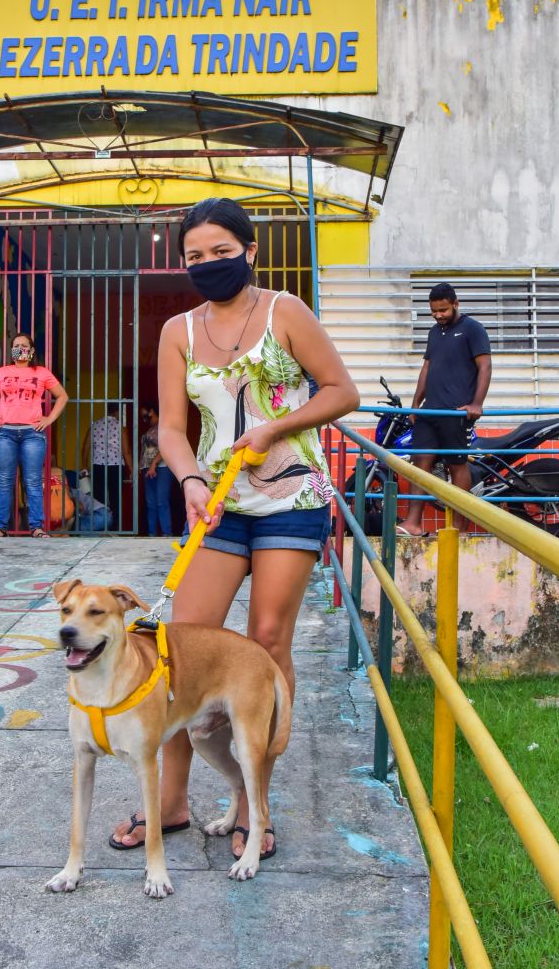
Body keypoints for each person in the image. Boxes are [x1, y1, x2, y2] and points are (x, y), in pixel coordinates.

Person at [109, 197, 359, 859]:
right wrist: (190, 479)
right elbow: (169, 427)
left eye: (222, 252)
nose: (208, 264)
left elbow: (341, 390)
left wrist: (275, 426)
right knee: (178, 653)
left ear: (250, 251)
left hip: (289, 499)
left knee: (266, 643)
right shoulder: (178, 331)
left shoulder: (286, 312)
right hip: (217, 505)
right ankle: (169, 801)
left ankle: (253, 802)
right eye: (195, 256)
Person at [396, 282, 491, 536]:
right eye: (434, 311)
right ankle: (413, 523)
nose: (439, 315)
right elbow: (426, 369)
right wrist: (416, 405)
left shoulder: (473, 329)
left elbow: (485, 367)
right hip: (430, 412)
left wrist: (477, 403)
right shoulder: (434, 332)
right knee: (420, 463)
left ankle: (458, 527)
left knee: (456, 465)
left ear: (455, 304)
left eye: (444, 310)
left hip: (456, 412)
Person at [0, 333, 68, 537]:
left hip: (32, 434)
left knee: (33, 481)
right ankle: (0, 527)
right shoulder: (2, 372)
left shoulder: (42, 373)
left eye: (24, 345)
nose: (20, 348)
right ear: (11, 350)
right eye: (16, 345)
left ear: (31, 351)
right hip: (5, 433)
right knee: (5, 480)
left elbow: (62, 396)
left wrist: (48, 419)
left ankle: (36, 527)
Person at [81, 402, 133, 531]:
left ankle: (100, 528)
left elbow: (86, 448)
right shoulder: (120, 427)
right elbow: (126, 452)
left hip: (98, 466)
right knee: (116, 499)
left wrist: (84, 466)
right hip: (115, 467)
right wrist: (132, 470)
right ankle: (116, 529)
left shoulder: (95, 425)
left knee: (99, 499)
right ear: (117, 412)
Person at [139, 402, 173, 537]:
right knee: (151, 503)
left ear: (152, 411)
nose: (143, 418)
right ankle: (151, 534)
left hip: (162, 468)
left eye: (145, 414)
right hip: (147, 469)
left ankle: (166, 533)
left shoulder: (164, 427)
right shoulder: (150, 429)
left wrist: (154, 464)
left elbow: (166, 447)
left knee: (161, 502)